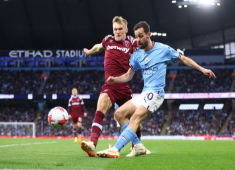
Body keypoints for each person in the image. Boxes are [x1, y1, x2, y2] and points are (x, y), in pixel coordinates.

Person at [96, 21, 216, 158]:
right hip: (145, 93)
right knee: (119, 114)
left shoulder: (162, 49)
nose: (138, 40)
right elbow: (129, 76)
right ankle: (139, 147)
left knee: (135, 118)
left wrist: (202, 69)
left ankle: (115, 149)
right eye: (136, 37)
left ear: (149, 34)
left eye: (141, 36)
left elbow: (184, 59)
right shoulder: (137, 55)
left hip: (156, 93)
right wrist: (115, 79)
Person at [80, 16, 149, 157]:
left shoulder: (131, 42)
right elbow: (98, 47)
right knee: (101, 106)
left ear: (126, 29)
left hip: (124, 86)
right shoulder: (108, 39)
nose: (117, 32)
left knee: (135, 119)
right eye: (115, 29)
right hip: (109, 85)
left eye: (120, 29)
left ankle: (136, 145)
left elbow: (145, 48)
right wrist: (89, 52)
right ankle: (92, 143)